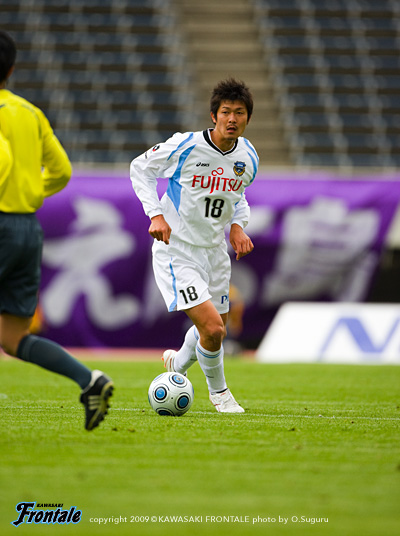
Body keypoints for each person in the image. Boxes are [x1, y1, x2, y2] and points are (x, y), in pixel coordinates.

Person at [0, 31, 113, 430]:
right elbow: (62, 171)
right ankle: (89, 379)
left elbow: (2, 158)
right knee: (13, 337)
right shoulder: (30, 113)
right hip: (27, 227)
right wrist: (31, 191)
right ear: (11, 69)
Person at [130, 78, 258, 413]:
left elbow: (237, 197)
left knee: (216, 329)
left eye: (239, 112)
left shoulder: (248, 157)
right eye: (226, 112)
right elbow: (140, 168)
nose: (232, 119)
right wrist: (156, 215)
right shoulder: (185, 146)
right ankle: (221, 395)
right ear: (214, 116)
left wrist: (237, 227)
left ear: (247, 118)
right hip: (177, 250)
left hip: (215, 252)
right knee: (212, 328)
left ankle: (177, 364)